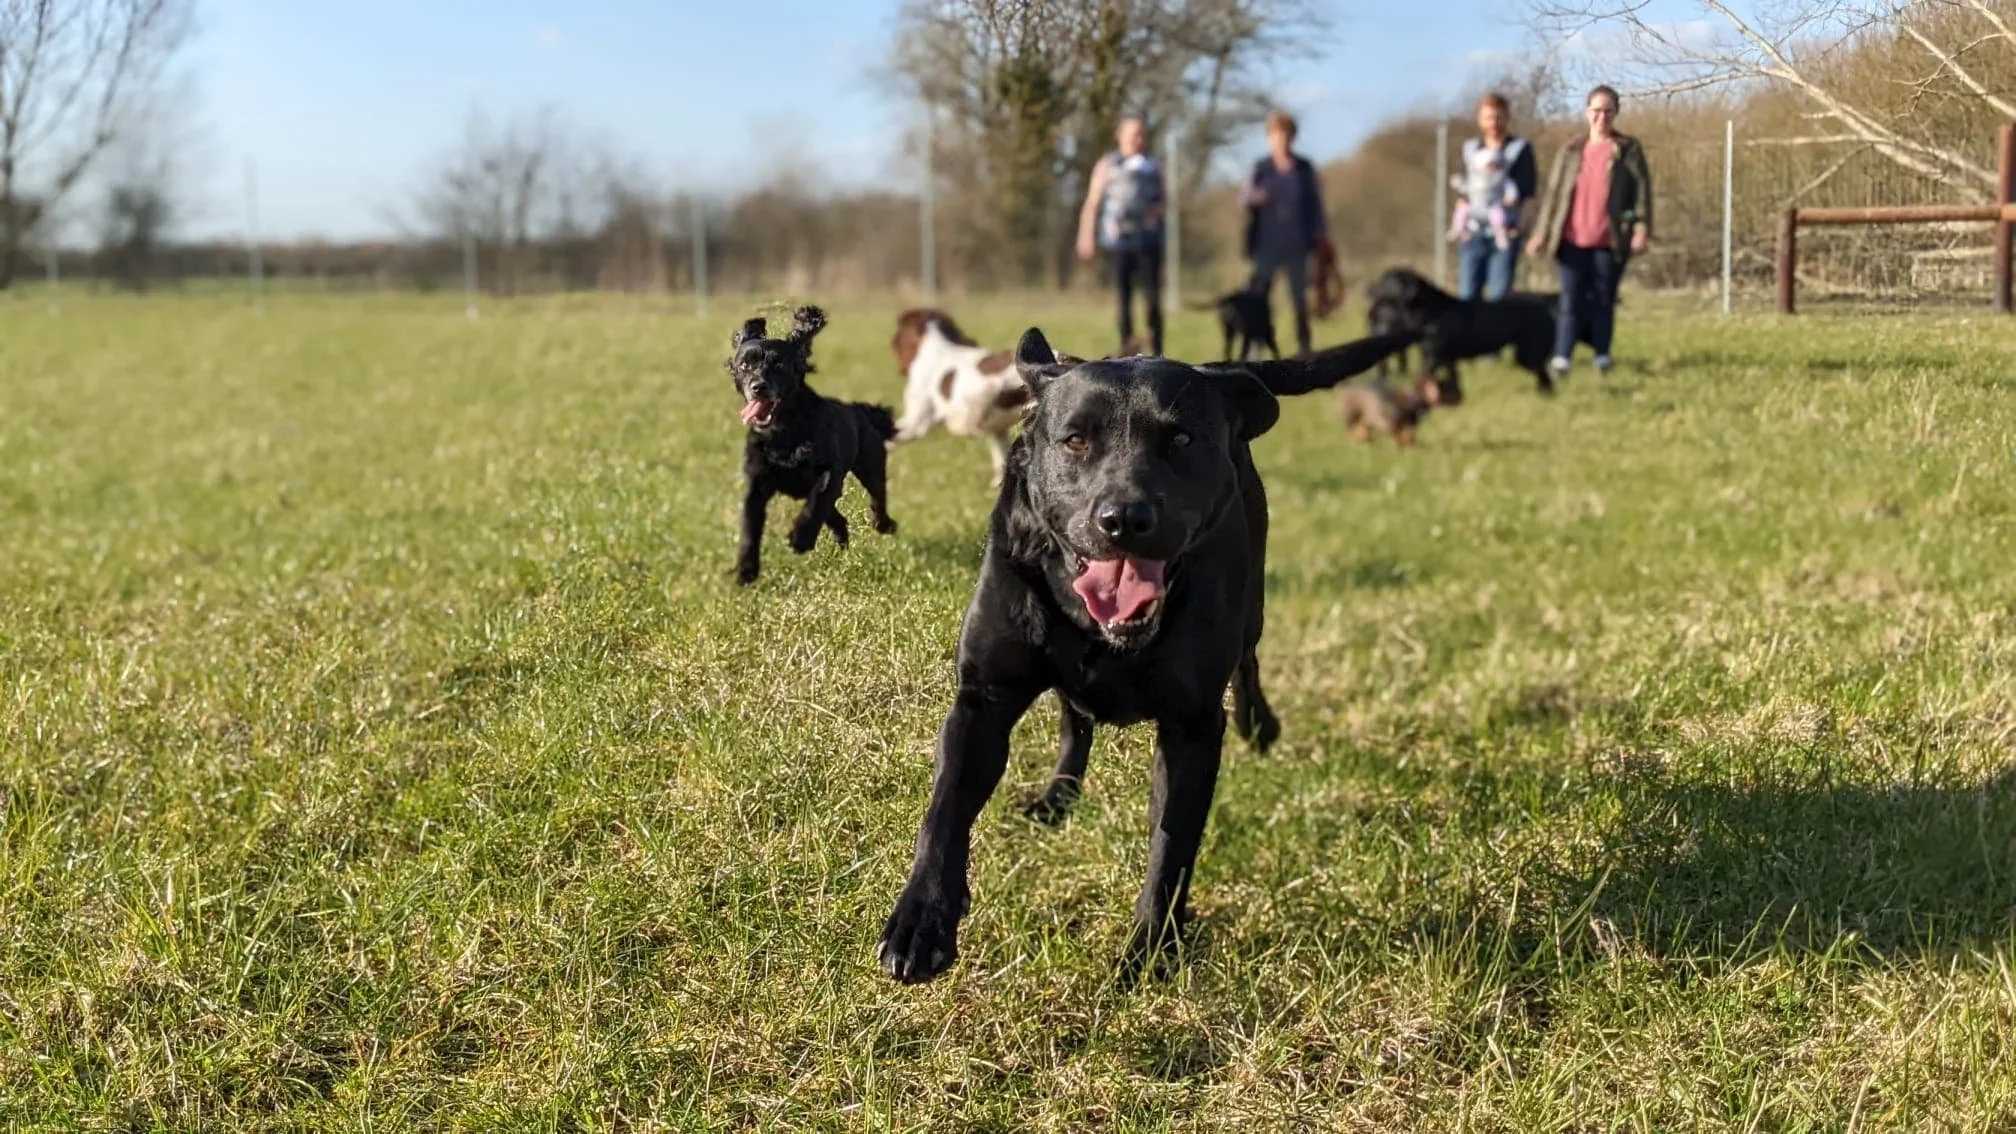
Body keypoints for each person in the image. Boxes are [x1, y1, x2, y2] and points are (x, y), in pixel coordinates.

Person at [1525, 84, 1653, 379]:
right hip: (1570, 240)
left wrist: (1641, 229)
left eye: (1608, 111)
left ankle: (1602, 356)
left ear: (1616, 113)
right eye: (1596, 111)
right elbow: (1555, 194)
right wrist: (1541, 234)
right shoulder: (1570, 150)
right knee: (1569, 301)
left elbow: (1642, 193)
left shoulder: (1628, 150)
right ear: (1587, 113)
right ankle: (1562, 358)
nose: (1602, 117)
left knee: (1604, 300)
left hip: (1610, 240)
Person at [1076, 116, 1167, 356]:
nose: (1138, 139)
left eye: (1142, 134)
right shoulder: (1107, 164)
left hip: (1149, 240)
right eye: (1133, 134)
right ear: (1121, 136)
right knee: (1123, 299)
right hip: (1118, 242)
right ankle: (1127, 350)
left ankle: (1157, 352)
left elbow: (1165, 202)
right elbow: (1093, 202)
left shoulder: (1154, 166)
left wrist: (1155, 213)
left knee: (1153, 298)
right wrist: (1086, 235)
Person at [1243, 110, 1329, 356]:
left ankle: (1304, 350)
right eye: (1275, 134)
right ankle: (1256, 349)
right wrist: (1255, 198)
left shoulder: (1304, 168)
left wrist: (1321, 238)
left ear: (1292, 137)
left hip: (1298, 242)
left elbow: (1315, 205)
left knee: (1300, 300)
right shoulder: (1261, 168)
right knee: (1258, 300)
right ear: (1269, 137)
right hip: (1266, 243)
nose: (1281, 139)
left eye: (1285, 134)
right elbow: (1245, 198)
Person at [1450, 93, 1537, 302]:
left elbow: (1528, 193)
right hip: (1472, 233)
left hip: (1505, 233)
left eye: (1498, 117)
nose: (1493, 123)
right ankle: (1470, 336)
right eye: (1488, 117)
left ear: (1507, 117)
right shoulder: (1469, 149)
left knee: (1500, 297)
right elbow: (1464, 190)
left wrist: (1523, 228)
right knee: (1468, 295)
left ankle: (1497, 336)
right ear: (1479, 120)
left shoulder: (1520, 149)